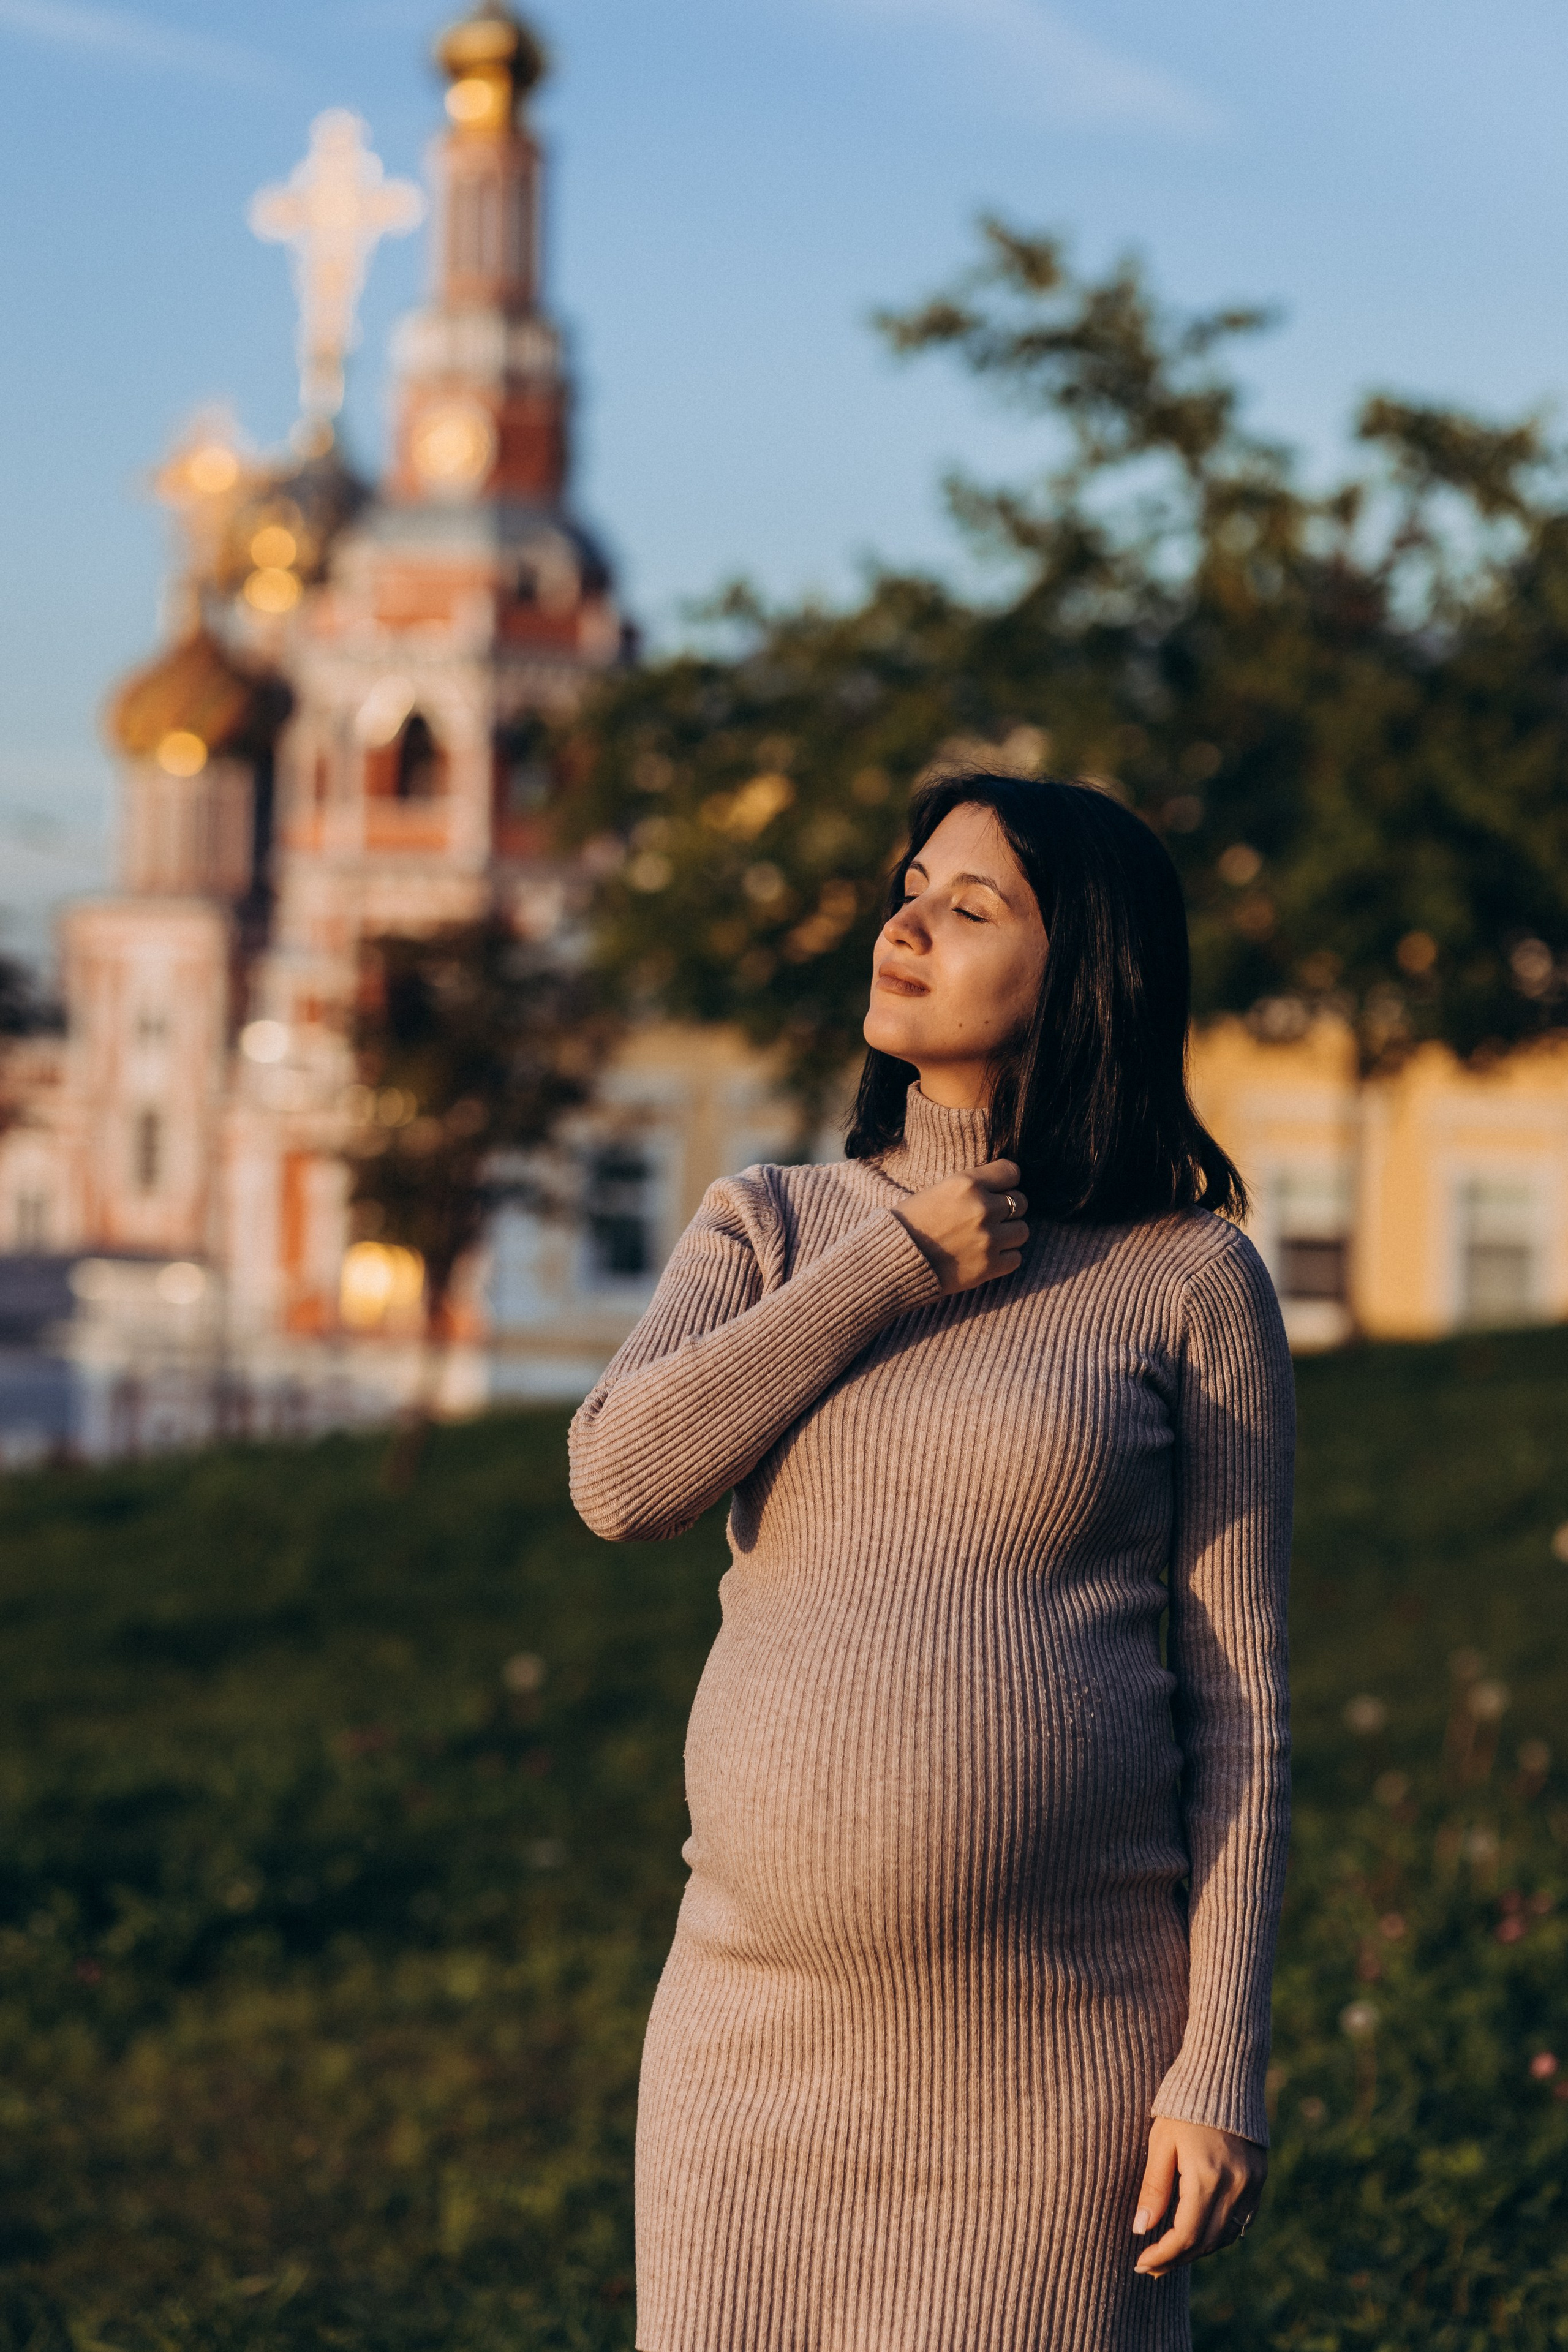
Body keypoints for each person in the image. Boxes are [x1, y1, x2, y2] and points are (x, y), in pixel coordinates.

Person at [569, 771, 1294, 2352]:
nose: (907, 923)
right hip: (744, 2051)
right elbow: (622, 1482)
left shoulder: (1187, 1278)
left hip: (1056, 2064)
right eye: (912, 885)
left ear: (1084, 969)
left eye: (971, 907)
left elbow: (1239, 1704)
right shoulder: (771, 1223)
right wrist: (896, 1266)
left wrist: (1219, 2059)